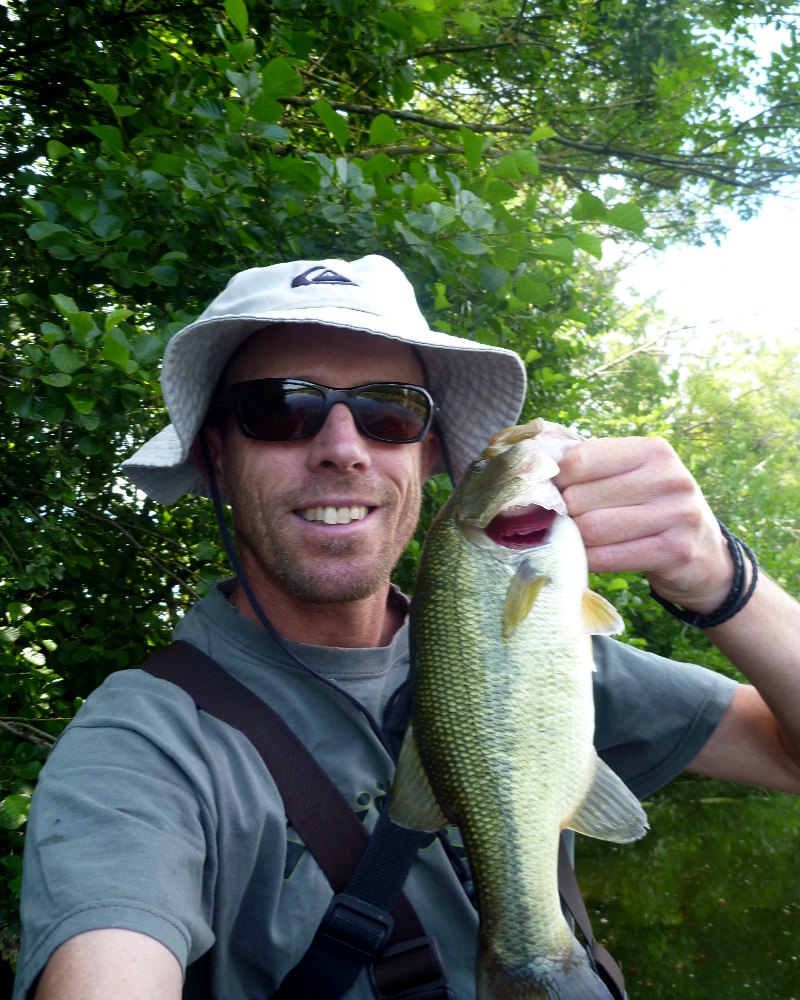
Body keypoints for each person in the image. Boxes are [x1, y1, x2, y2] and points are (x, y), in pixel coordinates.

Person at [13, 255, 800, 1000]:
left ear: (427, 456)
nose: (343, 449)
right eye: (280, 408)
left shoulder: (534, 650)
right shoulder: (141, 746)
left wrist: (722, 581)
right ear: (216, 455)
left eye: (390, 412)